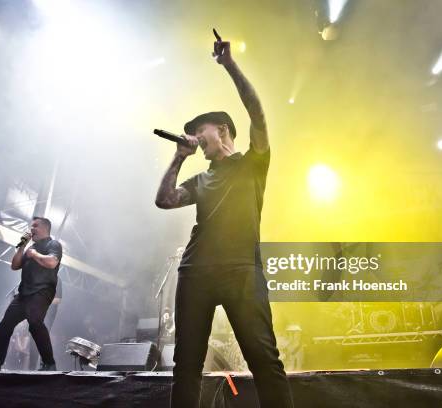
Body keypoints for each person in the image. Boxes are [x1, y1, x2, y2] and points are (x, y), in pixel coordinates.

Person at [155, 34, 294, 407]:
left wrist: (229, 65)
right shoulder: (199, 179)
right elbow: (164, 200)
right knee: (186, 365)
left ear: (223, 131)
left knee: (264, 360)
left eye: (202, 131)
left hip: (241, 270)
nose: (197, 137)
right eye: (194, 133)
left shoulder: (252, 163)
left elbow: (258, 115)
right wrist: (179, 157)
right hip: (196, 271)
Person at [0, 216, 62, 372]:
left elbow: (52, 263)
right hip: (24, 294)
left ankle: (49, 363)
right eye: (31, 226)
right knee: (5, 325)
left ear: (45, 228)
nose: (31, 229)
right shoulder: (30, 248)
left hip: (42, 291)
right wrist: (22, 247)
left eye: (35, 226)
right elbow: (15, 265)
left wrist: (35, 255)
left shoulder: (53, 244)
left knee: (35, 323)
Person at [28, 277, 62, 370]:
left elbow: (58, 300)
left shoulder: (57, 280)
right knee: (32, 339)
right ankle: (31, 368)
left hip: (48, 313)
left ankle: (44, 365)